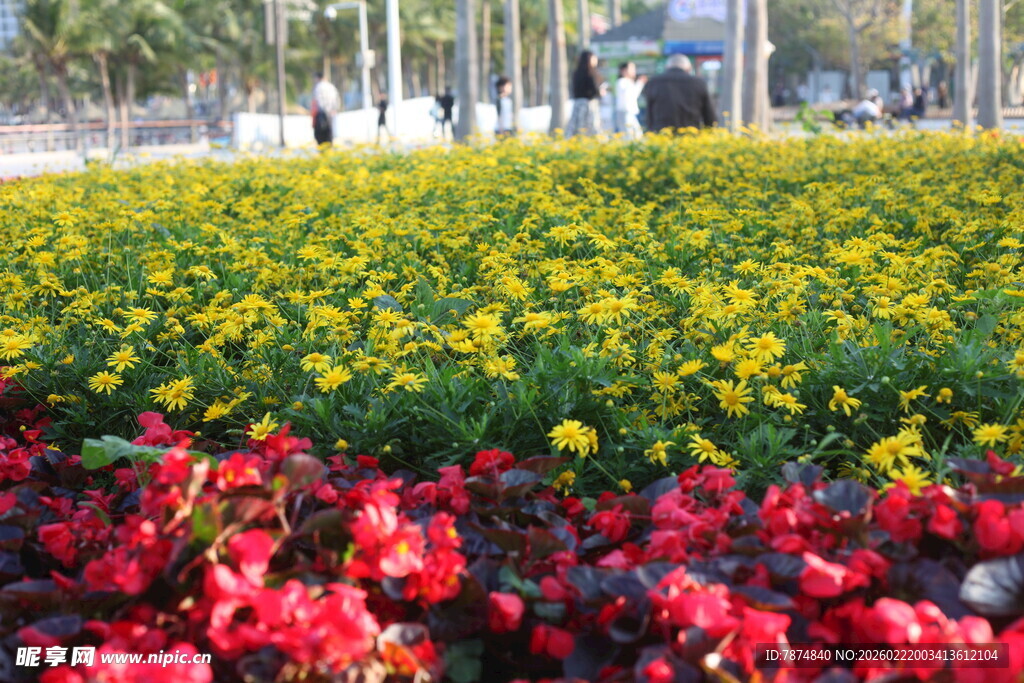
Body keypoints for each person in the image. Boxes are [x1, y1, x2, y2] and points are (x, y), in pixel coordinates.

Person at [640, 54, 716, 132]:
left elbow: (649, 111)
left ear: (667, 67)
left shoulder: (653, 82)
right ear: (689, 69)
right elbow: (709, 115)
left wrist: (650, 131)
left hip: (662, 136)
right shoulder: (699, 83)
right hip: (691, 136)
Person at [565, 50, 604, 137]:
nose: (596, 60)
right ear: (589, 59)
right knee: (593, 127)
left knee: (578, 128)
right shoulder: (591, 73)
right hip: (589, 104)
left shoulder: (577, 73)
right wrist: (600, 92)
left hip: (578, 104)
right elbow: (594, 90)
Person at [614, 62, 644, 140]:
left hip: (629, 112)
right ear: (624, 71)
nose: (634, 71)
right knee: (628, 136)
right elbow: (632, 95)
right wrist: (639, 83)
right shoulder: (622, 81)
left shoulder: (627, 82)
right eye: (632, 68)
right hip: (625, 112)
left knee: (636, 134)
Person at [311, 72, 340, 148]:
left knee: (320, 138)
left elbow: (317, 102)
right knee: (329, 138)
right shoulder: (331, 87)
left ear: (318, 78)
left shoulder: (318, 87)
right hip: (331, 115)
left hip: (321, 114)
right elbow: (337, 101)